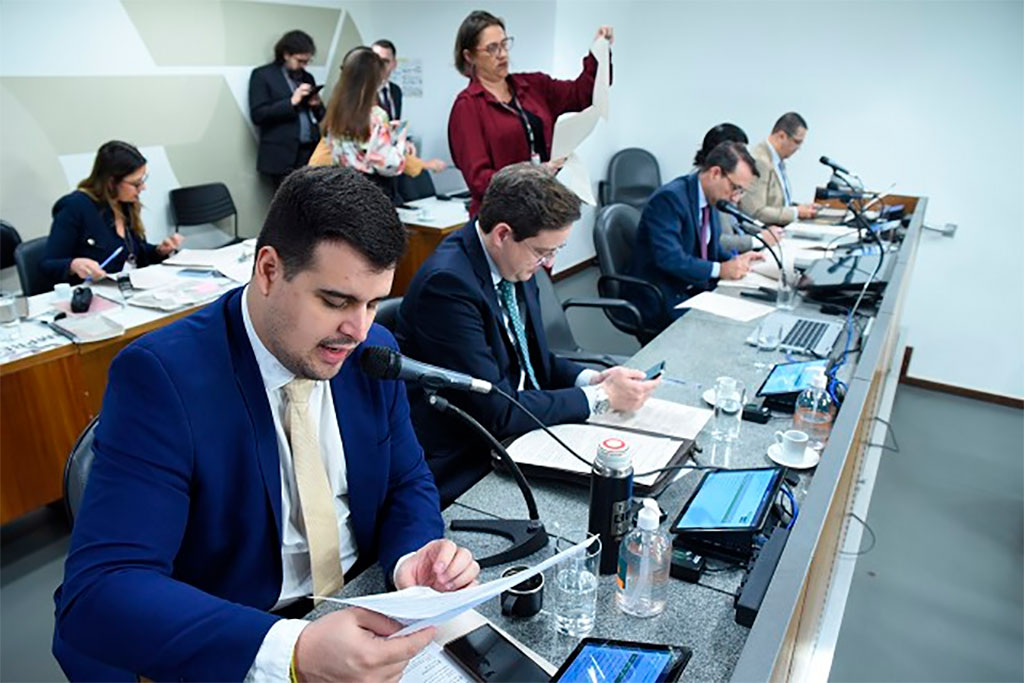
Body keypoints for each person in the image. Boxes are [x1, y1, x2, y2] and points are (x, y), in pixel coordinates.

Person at [52, 166, 479, 681]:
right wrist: (294, 651)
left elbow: (407, 481)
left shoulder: (373, 353)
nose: (358, 329)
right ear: (269, 271)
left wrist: (411, 556)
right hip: (246, 635)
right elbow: (102, 586)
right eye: (336, 301)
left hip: (362, 605)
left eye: (372, 303)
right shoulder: (162, 377)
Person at [397, 163, 659, 505]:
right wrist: (602, 399)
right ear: (503, 234)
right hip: (467, 455)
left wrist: (593, 381)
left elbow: (533, 361)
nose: (548, 263)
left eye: (555, 251)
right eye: (543, 252)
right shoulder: (448, 286)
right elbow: (497, 410)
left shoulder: (514, 263)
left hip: (520, 431)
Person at [447, 10, 613, 215]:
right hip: (502, 218)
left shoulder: (533, 86)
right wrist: (534, 174)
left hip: (541, 206)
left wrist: (598, 54)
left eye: (504, 44)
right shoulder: (467, 107)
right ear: (469, 56)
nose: (502, 54)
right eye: (492, 48)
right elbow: (480, 181)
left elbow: (581, 95)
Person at [627, 141, 765, 325]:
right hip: (662, 295)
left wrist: (735, 262)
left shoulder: (712, 199)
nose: (735, 197)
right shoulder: (670, 199)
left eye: (741, 191)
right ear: (715, 173)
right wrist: (721, 269)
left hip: (693, 289)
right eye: (735, 188)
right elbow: (671, 258)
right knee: (725, 329)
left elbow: (711, 248)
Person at [308, 47, 444, 201]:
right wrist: (398, 141)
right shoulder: (376, 116)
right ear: (375, 79)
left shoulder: (335, 115)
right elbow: (389, 164)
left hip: (345, 193)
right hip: (373, 193)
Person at [41, 141, 183, 285]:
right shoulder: (75, 206)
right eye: (136, 183)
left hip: (130, 290)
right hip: (94, 295)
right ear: (111, 182)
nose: (142, 187)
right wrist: (73, 265)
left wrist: (159, 251)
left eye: (143, 180)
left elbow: (134, 253)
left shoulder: (125, 204)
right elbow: (49, 264)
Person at [249, 30, 326, 188]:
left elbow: (321, 116)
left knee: (313, 206)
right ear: (286, 55)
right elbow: (258, 114)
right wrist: (291, 102)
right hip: (282, 156)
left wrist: (317, 105)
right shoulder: (262, 75)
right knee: (288, 208)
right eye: (300, 60)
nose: (304, 66)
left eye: (307, 61)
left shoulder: (307, 77)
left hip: (310, 153)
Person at [693, 123, 783, 254]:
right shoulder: (707, 188)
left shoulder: (728, 181)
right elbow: (713, 240)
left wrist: (762, 231)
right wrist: (758, 240)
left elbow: (737, 222)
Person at [740, 112, 818, 226]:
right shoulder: (760, 161)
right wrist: (796, 212)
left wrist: (799, 208)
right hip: (766, 233)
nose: (798, 148)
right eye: (797, 142)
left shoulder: (777, 160)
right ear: (782, 136)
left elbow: (776, 203)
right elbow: (756, 211)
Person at [372, 39, 402, 121]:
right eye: (375, 60)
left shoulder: (396, 91)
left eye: (385, 61)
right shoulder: (360, 91)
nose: (379, 65)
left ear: (394, 64)